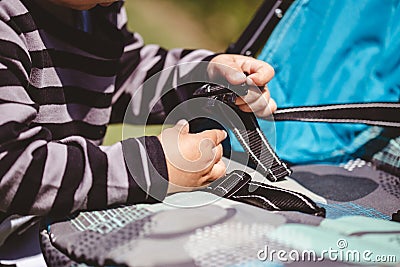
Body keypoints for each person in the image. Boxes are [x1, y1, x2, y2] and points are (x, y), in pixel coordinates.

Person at [0, 0, 276, 233]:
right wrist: (151, 166)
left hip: (63, 223)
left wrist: (206, 78)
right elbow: (13, 167)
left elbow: (120, 75)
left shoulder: (97, 10)